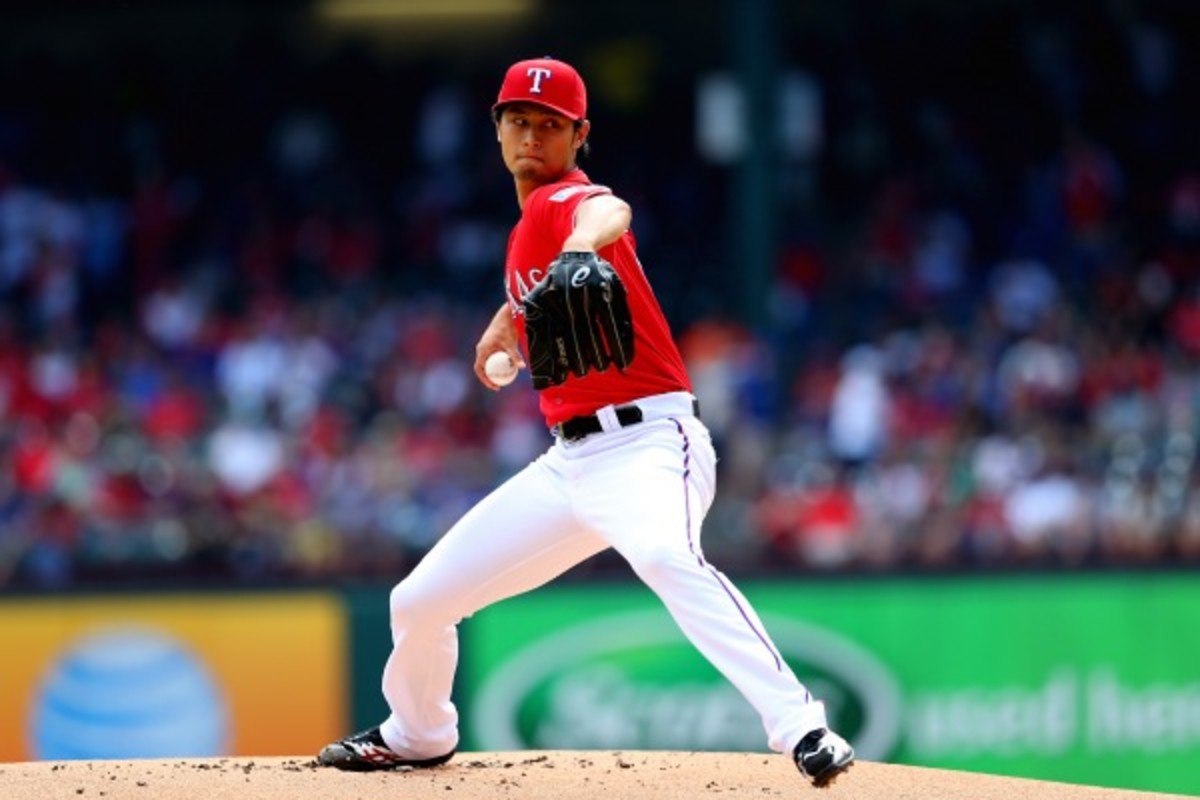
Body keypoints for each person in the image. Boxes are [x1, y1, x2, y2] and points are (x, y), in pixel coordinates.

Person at [317, 56, 855, 786]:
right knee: (416, 601)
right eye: (519, 120)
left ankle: (803, 727)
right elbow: (546, 277)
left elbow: (608, 212)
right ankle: (417, 732)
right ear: (498, 131)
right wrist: (507, 321)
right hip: (569, 466)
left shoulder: (567, 203)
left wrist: (577, 246)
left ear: (579, 136)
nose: (532, 135)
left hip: (649, 446)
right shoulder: (527, 229)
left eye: (550, 124)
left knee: (668, 559)